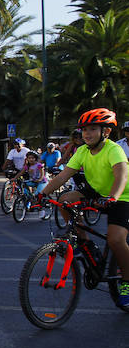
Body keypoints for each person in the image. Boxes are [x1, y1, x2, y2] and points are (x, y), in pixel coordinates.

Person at [40, 108, 129, 306]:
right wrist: (42, 194)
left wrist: (112, 197)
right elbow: (63, 176)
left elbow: (121, 175)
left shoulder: (114, 149)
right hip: (97, 192)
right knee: (64, 200)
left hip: (121, 196)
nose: (86, 134)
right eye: (84, 130)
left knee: (115, 239)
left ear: (105, 132)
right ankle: (84, 242)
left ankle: (127, 281)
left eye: (92, 129)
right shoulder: (82, 151)